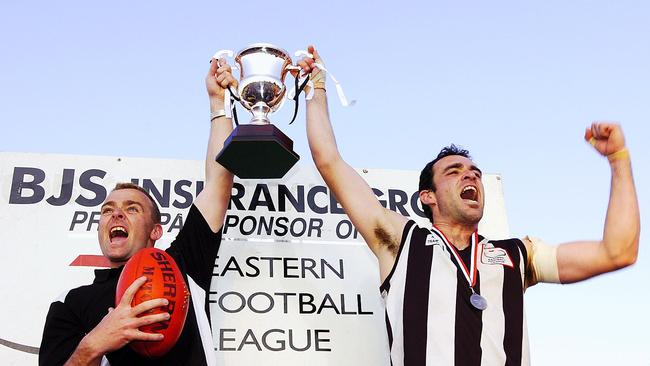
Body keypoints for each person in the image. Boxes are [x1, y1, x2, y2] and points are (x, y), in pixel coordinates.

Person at [298, 46, 640, 366]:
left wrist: (618, 160)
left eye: (475, 172)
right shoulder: (403, 243)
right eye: (454, 172)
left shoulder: (519, 255)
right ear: (427, 197)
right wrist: (317, 87)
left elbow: (617, 252)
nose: (470, 177)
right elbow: (330, 161)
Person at [39, 57, 238, 365]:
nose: (116, 215)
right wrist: (95, 343)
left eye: (132, 208)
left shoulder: (183, 265)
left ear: (155, 230)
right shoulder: (72, 305)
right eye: (107, 210)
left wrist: (219, 104)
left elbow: (218, 184)